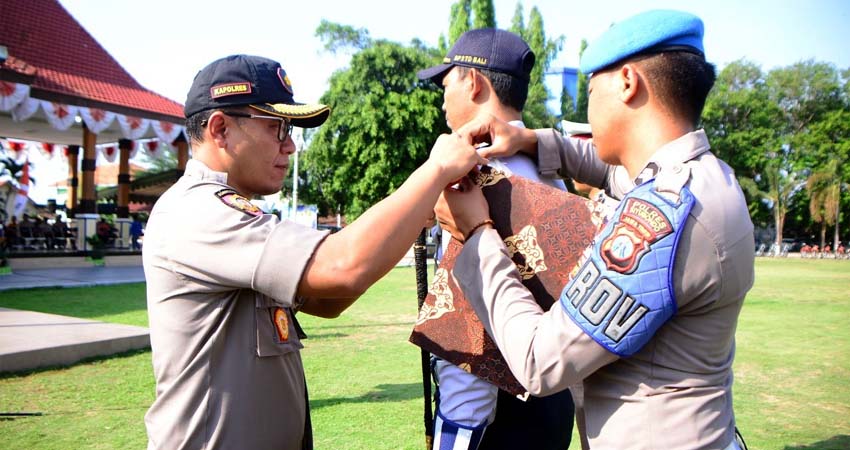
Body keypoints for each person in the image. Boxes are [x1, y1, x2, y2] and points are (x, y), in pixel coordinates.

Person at [435, 10, 754, 450]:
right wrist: (530, 140)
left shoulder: (658, 221)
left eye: (590, 88)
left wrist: (476, 234)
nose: (587, 106)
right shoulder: (704, 178)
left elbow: (539, 360)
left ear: (627, 82)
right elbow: (613, 176)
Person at [142, 54, 485, 450]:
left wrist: (411, 217)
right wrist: (435, 171)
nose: (290, 145)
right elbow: (342, 266)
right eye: (277, 127)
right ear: (220, 129)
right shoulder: (199, 211)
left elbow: (327, 300)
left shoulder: (230, 212)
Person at [416, 28, 573, 450]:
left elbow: (468, 351)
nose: (443, 98)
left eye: (446, 83)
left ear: (474, 82)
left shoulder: (474, 182)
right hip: (553, 411)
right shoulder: (553, 177)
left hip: (493, 425)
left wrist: (453, 437)